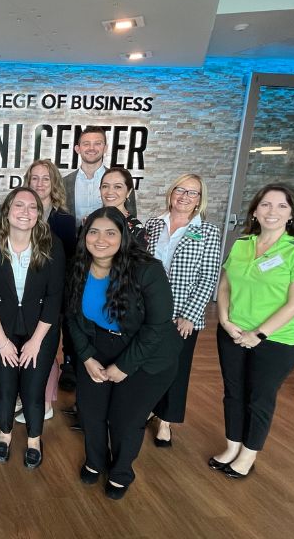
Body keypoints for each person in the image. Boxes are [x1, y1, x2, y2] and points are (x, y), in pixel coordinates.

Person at [67, 207, 181, 500]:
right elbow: (72, 317)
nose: (100, 239)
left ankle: (120, 472)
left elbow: (157, 326)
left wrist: (125, 366)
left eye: (110, 232)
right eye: (94, 232)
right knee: (91, 413)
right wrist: (87, 357)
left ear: (123, 236)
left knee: (125, 419)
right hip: (98, 345)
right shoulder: (78, 266)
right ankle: (95, 460)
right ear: (84, 236)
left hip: (147, 352)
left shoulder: (146, 269)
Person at [209, 183, 294, 479]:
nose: (272, 211)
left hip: (274, 340)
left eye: (281, 206)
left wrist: (258, 334)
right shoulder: (242, 244)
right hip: (232, 332)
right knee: (233, 392)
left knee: (259, 397)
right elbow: (226, 285)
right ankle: (232, 446)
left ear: (292, 215)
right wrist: (224, 320)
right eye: (266, 205)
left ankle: (248, 454)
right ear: (255, 211)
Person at [0, 187, 65, 469]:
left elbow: (55, 299)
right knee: (4, 387)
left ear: (39, 214)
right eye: (19, 205)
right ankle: (5, 434)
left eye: (32, 207)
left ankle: (33, 439)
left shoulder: (52, 245)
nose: (25, 212)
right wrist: (2, 341)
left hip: (41, 329)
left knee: (33, 388)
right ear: (7, 211)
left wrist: (36, 341)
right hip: (0, 328)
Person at [145, 174, 222, 447]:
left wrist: (190, 315)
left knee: (176, 368)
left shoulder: (208, 232)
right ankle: (149, 407)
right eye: (180, 190)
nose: (185, 197)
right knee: (147, 363)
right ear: (171, 192)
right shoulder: (153, 225)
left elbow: (208, 276)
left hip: (182, 315)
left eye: (193, 193)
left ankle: (165, 421)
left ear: (200, 200)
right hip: (149, 309)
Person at [25, 159, 78, 400]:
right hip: (21, 292)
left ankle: (44, 399)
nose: (40, 183)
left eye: (45, 178)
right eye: (35, 178)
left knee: (45, 346)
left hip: (51, 296)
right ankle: (23, 394)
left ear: (54, 182)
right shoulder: (18, 212)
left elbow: (67, 262)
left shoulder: (64, 220)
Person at [63, 126, 137, 227]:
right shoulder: (64, 182)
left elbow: (131, 219)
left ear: (105, 148)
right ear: (77, 149)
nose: (91, 148)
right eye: (86, 144)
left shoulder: (121, 179)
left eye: (97, 143)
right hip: (72, 242)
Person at [99, 167, 147, 248]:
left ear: (129, 192)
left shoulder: (137, 228)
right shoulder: (90, 220)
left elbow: (140, 259)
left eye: (117, 187)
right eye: (105, 186)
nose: (110, 192)